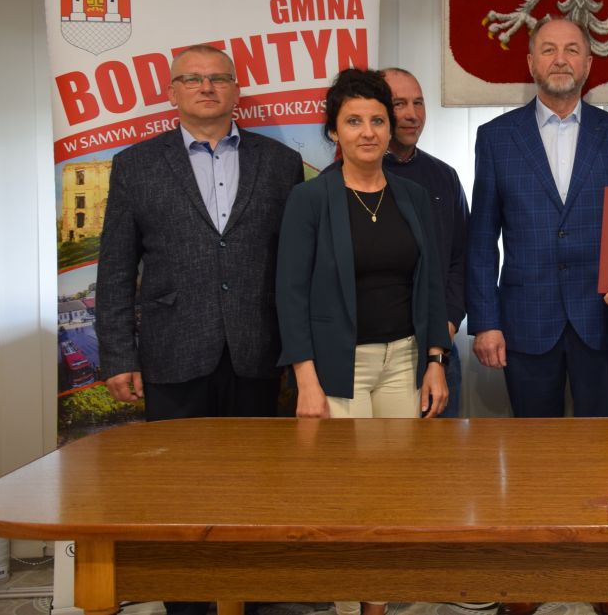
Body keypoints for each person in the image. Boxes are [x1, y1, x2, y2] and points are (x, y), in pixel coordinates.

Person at [95, 44, 304, 615]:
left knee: (256, 487)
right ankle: (187, 603)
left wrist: (299, 351)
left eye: (218, 79)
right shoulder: (135, 165)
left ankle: (253, 599)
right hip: (172, 352)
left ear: (237, 91)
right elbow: (115, 269)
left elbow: (296, 265)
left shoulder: (280, 162)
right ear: (172, 92)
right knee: (176, 491)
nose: (206, 88)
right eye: (192, 79)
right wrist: (118, 355)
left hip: (257, 352)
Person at [276, 68, 452, 615]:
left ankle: (375, 605)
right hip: (337, 367)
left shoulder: (413, 196)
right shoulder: (310, 199)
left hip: (404, 361)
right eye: (354, 121)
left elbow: (431, 282)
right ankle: (346, 603)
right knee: (343, 493)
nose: (369, 132)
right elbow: (290, 294)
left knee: (392, 492)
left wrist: (435, 360)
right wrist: (306, 381)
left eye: (378, 119)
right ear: (334, 131)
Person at [466, 15, 608, 423]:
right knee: (534, 449)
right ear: (531, 63)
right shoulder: (496, 138)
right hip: (526, 322)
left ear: (588, 64)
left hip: (604, 321)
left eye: (572, 50)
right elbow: (481, 239)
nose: (560, 59)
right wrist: (486, 322)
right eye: (549, 50)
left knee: (607, 445)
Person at [381, 67, 470, 418]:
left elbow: (461, 259)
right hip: (372, 355)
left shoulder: (444, 177)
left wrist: (445, 329)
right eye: (399, 103)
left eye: (418, 103)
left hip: (438, 350)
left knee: (440, 450)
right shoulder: (342, 181)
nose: (412, 114)